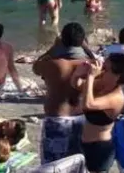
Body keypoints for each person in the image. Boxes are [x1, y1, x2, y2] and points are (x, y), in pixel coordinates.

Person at [33, 23, 92, 164]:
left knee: (53, 165)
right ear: (82, 41)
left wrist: (53, 48)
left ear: (62, 40)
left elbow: (36, 67)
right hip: (82, 118)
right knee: (78, 164)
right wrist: (86, 48)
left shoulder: (54, 65)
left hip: (58, 119)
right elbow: (93, 57)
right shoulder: (91, 65)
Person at [75, 54, 124, 173]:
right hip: (85, 143)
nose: (101, 71)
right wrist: (79, 73)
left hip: (100, 148)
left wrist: (91, 76)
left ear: (117, 76)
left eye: (105, 69)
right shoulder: (103, 85)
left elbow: (88, 105)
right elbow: (77, 85)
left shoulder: (116, 97)